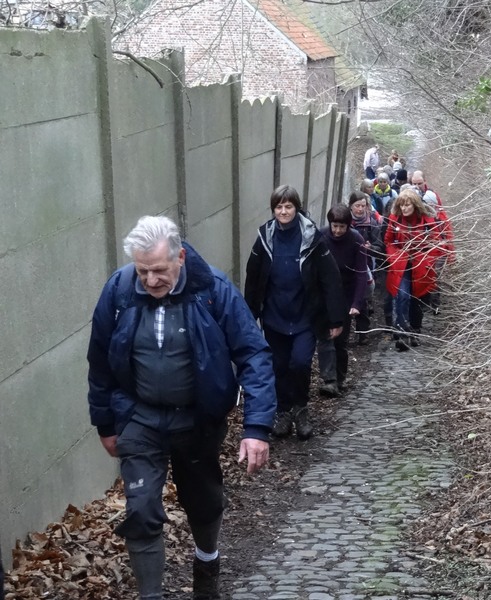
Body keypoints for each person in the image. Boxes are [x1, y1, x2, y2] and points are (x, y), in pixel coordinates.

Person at [87, 215, 276, 600]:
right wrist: (105, 422)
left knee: (203, 503)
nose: (151, 280)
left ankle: (207, 560)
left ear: (181, 258)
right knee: (140, 511)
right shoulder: (120, 291)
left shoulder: (213, 290)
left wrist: (256, 429)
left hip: (197, 418)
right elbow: (100, 361)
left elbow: (253, 354)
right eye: (143, 271)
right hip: (139, 416)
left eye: (159, 270)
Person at [244, 185, 346, 439]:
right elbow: (253, 276)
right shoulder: (265, 237)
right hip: (275, 316)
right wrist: (250, 313)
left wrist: (335, 317)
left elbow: (330, 278)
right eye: (279, 206)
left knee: (299, 363)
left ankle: (301, 408)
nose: (283, 211)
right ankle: (283, 411)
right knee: (278, 365)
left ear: (296, 207)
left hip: (304, 316)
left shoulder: (312, 237)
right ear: (273, 209)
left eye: (288, 206)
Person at [317, 205, 369, 396]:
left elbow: (361, 274)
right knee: (325, 337)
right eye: (334, 226)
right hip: (324, 294)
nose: (337, 230)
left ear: (348, 226)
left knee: (340, 341)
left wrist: (357, 303)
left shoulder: (357, 240)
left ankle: (340, 377)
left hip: (346, 294)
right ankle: (329, 379)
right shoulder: (321, 237)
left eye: (341, 226)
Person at [384, 189, 442, 351]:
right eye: (401, 205)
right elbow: (388, 241)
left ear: (414, 205)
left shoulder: (427, 221)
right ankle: (401, 332)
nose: (404, 208)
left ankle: (415, 331)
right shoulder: (395, 219)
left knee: (417, 300)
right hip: (401, 266)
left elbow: (435, 242)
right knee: (402, 296)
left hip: (420, 267)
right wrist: (396, 256)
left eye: (407, 205)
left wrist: (424, 257)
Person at [349, 191, 385, 343]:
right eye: (357, 206)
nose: (360, 209)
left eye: (363, 206)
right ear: (351, 206)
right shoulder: (344, 221)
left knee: (362, 298)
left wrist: (370, 248)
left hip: (365, 265)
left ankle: (362, 333)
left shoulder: (372, 224)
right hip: (346, 263)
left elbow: (379, 247)